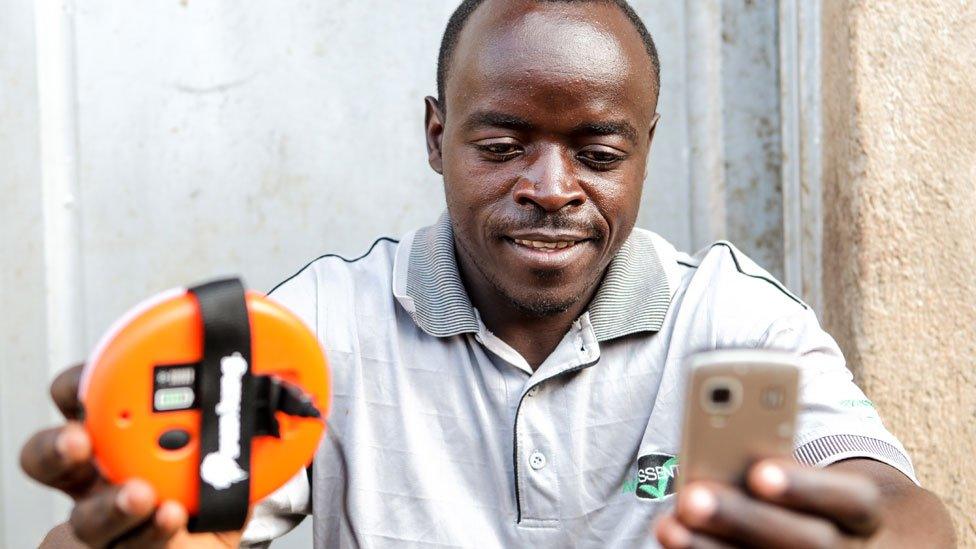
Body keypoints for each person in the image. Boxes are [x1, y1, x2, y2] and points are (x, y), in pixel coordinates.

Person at [21, 0, 956, 547]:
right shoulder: (319, 326)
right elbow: (183, 527)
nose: (551, 190)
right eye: (504, 144)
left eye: (598, 151)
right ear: (438, 136)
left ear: (646, 150)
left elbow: (906, 507)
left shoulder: (729, 315)